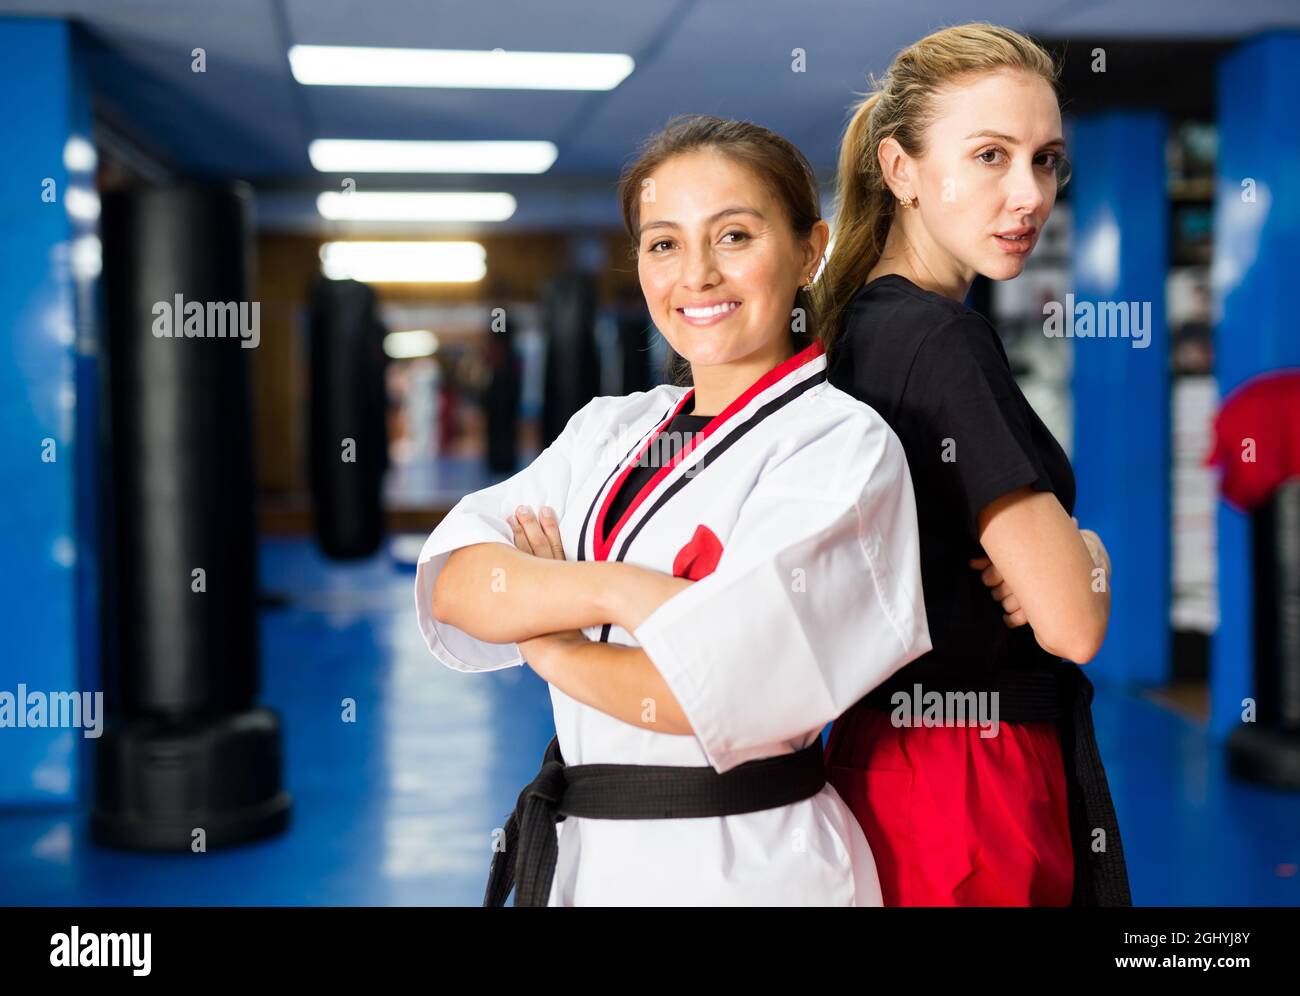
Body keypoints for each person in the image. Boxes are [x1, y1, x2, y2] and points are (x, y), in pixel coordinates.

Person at [413, 114, 930, 906]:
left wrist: (547, 643)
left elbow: (713, 692)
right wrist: (616, 589)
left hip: (752, 864)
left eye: (734, 237)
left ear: (809, 249)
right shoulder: (606, 431)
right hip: (587, 858)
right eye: (663, 243)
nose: (697, 275)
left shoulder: (841, 448)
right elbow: (458, 584)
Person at [817, 23, 1130, 906]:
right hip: (970, 788)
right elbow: (1072, 623)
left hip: (885, 758)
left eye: (1047, 160)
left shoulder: (856, 329)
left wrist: (1073, 554)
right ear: (901, 169)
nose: (1029, 194)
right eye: (990, 156)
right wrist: (1089, 556)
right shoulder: (942, 340)